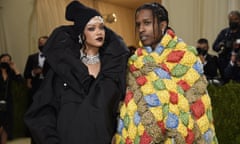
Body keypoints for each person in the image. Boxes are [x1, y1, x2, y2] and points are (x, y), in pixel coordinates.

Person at [24, 1, 129, 144]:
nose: (99, 32)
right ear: (80, 34)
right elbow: (42, 112)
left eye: (102, 27)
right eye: (91, 28)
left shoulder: (113, 69)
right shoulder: (63, 69)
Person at [114, 2, 218, 144]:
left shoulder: (185, 58)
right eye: (138, 24)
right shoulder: (134, 63)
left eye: (147, 23)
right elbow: (129, 107)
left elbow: (197, 105)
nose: (141, 29)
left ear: (163, 25)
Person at [0, 53, 23, 143]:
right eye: (3, 59)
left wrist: (15, 68)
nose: (5, 61)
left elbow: (20, 81)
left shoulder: (11, 72)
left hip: (8, 102)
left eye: (7, 60)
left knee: (6, 125)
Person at [212, 10, 240, 84]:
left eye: (235, 19)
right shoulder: (224, 32)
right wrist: (222, 44)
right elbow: (214, 46)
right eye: (231, 20)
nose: (233, 21)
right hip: (224, 63)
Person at [24, 36, 49, 101]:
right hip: (35, 85)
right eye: (40, 43)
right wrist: (33, 73)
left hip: (48, 84)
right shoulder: (31, 57)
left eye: (44, 43)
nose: (42, 45)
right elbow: (26, 73)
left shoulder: (53, 57)